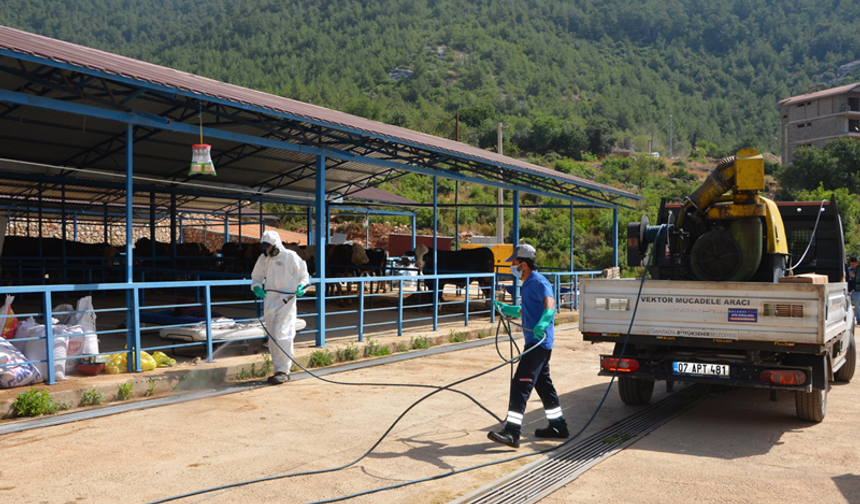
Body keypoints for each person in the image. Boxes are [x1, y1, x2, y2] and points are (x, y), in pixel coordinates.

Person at [488, 244, 568, 448]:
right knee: (543, 385)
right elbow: (527, 311)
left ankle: (512, 432)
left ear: (523, 264)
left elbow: (549, 303)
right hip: (534, 343)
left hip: (539, 344)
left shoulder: (539, 282)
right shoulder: (527, 283)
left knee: (520, 385)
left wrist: (544, 321)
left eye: (514, 264)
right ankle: (558, 426)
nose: (511, 268)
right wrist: (508, 309)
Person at [251, 230, 309, 385]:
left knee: (283, 334)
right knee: (272, 336)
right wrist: (256, 287)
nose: (267, 250)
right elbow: (256, 277)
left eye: (269, 247)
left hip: (287, 300)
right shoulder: (263, 259)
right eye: (265, 247)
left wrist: (302, 287)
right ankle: (277, 369)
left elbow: (304, 275)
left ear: (276, 244)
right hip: (269, 300)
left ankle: (284, 370)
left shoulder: (291, 256)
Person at [849, 257, 860, 325]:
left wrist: (854, 275)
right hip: (849, 290)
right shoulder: (849, 269)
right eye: (851, 264)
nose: (852, 265)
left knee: (857, 306)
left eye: (854, 264)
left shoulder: (858, 270)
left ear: (857, 263)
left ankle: (858, 319)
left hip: (856, 290)